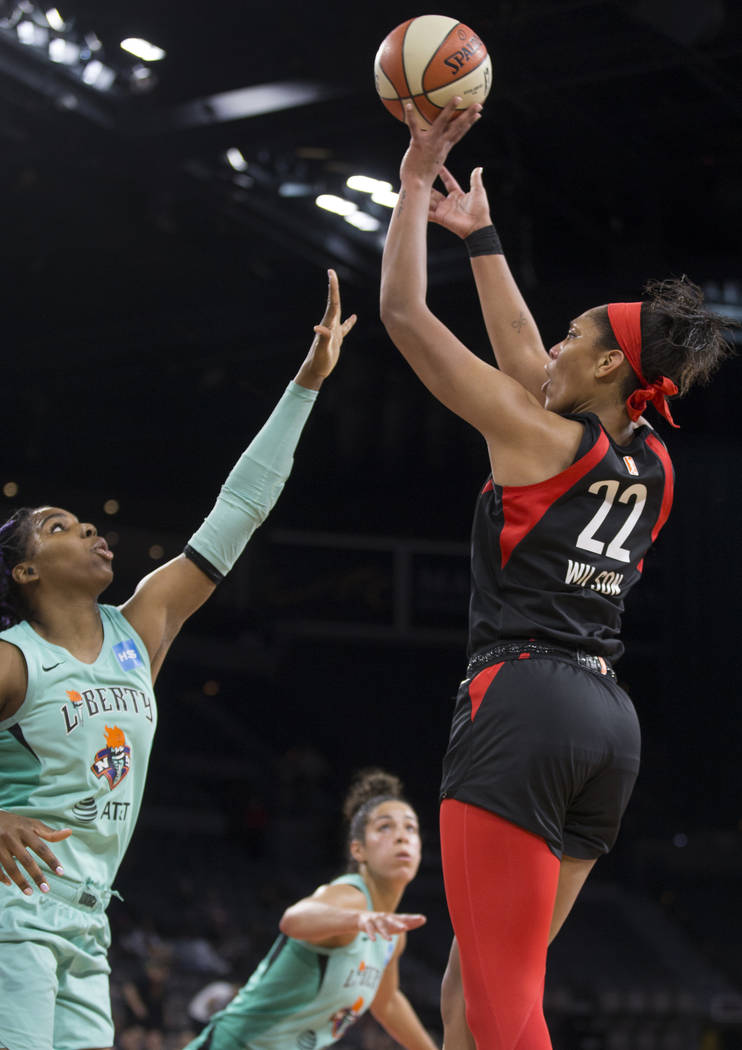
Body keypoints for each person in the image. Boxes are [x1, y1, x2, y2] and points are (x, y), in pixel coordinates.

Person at [379, 99, 735, 1050]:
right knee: (476, 987)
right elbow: (537, 365)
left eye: (575, 334)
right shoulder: (655, 463)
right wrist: (483, 235)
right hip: (606, 731)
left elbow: (404, 315)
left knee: (500, 1010)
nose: (555, 346)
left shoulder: (536, 438)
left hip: (524, 705)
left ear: (612, 361)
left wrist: (415, 181)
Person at [0, 269, 356, 1050]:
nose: (91, 529)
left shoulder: (141, 627)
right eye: (60, 528)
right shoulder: (13, 661)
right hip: (11, 917)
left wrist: (305, 383)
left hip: (88, 923)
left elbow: (241, 508)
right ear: (24, 572)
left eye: (87, 522)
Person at [183, 769, 439, 1050]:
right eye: (385, 827)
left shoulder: (391, 933)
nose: (402, 837)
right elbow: (294, 919)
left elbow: (387, 1003)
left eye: (410, 828)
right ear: (358, 850)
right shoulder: (350, 897)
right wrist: (358, 918)